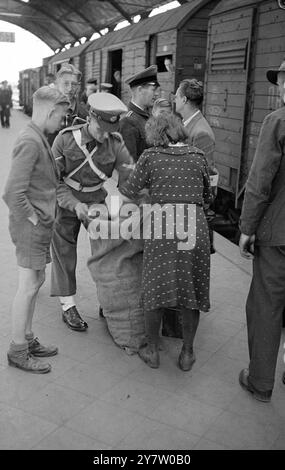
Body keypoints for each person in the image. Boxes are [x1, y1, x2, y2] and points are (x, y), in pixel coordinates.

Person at [119, 113, 212, 369]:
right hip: (194, 226)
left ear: (156, 134)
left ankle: (151, 351)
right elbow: (208, 195)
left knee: (154, 288)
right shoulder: (198, 156)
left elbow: (128, 190)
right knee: (191, 290)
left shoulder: (150, 157)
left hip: (161, 226)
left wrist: (150, 193)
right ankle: (187, 353)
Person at [50, 92, 134, 331]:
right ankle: (68, 305)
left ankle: (107, 301)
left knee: (107, 252)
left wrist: (123, 211)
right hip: (67, 201)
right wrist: (74, 205)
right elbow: (53, 181)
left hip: (97, 202)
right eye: (101, 127)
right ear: (91, 118)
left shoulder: (115, 144)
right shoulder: (65, 140)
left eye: (110, 128)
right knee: (64, 251)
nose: (105, 134)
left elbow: (130, 182)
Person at [2, 86, 69, 373]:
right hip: (32, 228)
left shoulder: (39, 135)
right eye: (62, 116)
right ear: (51, 111)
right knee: (28, 287)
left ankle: (27, 339)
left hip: (40, 227)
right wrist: (33, 219)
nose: (63, 122)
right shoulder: (30, 140)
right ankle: (18, 349)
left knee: (37, 281)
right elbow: (11, 192)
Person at [238, 59, 285, 403]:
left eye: (281, 81)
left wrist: (247, 227)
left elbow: (260, 181)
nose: (279, 87)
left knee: (267, 305)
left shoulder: (278, 121)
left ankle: (260, 381)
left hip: (278, 235)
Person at [175, 79, 217, 254]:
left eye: (176, 96)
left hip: (190, 210)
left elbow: (204, 176)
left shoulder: (200, 132)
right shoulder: (188, 124)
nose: (174, 100)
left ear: (184, 100)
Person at [119, 65, 160, 162]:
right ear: (140, 90)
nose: (157, 94)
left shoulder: (147, 116)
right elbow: (129, 165)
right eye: (153, 89)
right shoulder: (127, 122)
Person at [48, 63, 82, 144]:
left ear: (78, 86)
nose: (70, 89)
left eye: (73, 84)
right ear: (57, 84)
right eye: (66, 83)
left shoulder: (84, 114)